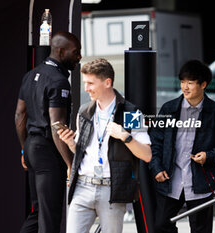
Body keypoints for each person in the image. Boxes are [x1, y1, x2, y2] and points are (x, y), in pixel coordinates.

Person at [57, 58, 152, 233]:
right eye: (85, 82)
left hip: (112, 189)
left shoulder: (131, 113)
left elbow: (146, 154)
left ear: (107, 82)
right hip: (82, 186)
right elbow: (82, 150)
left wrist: (124, 136)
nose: (86, 88)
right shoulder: (84, 111)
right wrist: (71, 143)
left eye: (91, 83)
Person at [149, 60, 215, 233]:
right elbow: (155, 141)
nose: (185, 87)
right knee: (160, 226)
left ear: (203, 84)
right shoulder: (169, 109)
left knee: (201, 230)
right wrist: (156, 168)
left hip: (200, 183)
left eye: (190, 82)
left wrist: (209, 155)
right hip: (170, 181)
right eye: (183, 82)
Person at [14, 31, 82, 233]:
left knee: (39, 214)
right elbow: (56, 125)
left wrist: (24, 150)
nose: (79, 57)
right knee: (49, 217)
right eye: (76, 52)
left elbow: (19, 116)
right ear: (61, 52)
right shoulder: (59, 81)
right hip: (49, 152)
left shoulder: (30, 75)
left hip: (33, 148)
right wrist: (70, 162)